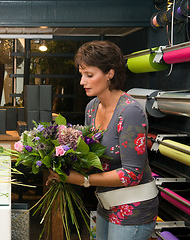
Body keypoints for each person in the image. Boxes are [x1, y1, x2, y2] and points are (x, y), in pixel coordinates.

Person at [47, 40, 159, 240]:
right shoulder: (92, 107)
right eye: (82, 74)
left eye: (89, 75)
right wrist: (64, 170)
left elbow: (132, 174)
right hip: (106, 203)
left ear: (110, 73)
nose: (82, 81)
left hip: (133, 208)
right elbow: (91, 155)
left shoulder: (130, 112)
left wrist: (82, 180)